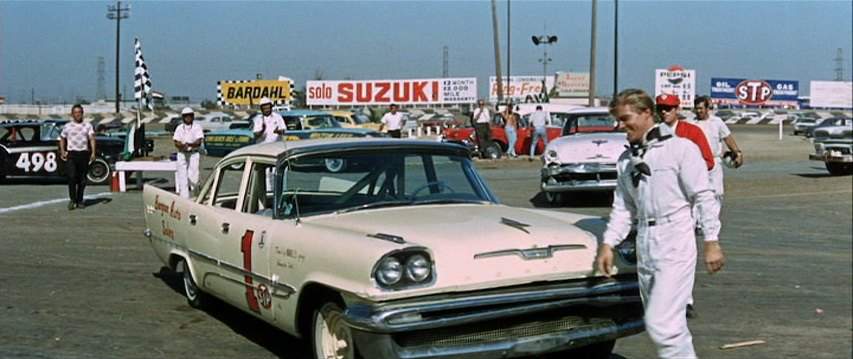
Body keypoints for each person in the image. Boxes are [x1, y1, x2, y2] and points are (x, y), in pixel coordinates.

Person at [595, 89, 725, 359]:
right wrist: (609, 243)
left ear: (646, 114)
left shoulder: (680, 149)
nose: (620, 125)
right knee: (669, 324)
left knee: (661, 323)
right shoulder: (626, 161)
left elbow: (703, 195)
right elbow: (623, 207)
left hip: (675, 238)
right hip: (646, 241)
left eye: (626, 118)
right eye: (617, 119)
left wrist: (712, 241)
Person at [655, 93, 715, 319]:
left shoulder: (692, 132)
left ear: (677, 109)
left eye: (669, 108)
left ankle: (685, 300)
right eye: (661, 108)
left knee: (683, 255)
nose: (665, 112)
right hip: (659, 202)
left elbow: (708, 161)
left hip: (684, 202)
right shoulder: (653, 134)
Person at [692, 96, 744, 207]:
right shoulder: (690, 124)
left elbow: (727, 138)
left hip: (714, 162)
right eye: (696, 108)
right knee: (698, 192)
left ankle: (713, 220)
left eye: (701, 108)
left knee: (717, 193)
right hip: (697, 162)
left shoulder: (717, 122)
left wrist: (737, 152)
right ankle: (698, 222)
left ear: (707, 108)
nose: (699, 111)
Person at [59, 104, 96, 210]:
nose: (78, 114)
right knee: (71, 177)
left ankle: (80, 200)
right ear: (72, 114)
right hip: (72, 154)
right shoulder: (68, 126)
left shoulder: (88, 126)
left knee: (83, 179)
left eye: (79, 112)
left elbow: (92, 139)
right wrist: (62, 151)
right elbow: (62, 138)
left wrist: (93, 153)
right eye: (75, 112)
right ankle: (72, 200)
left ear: (82, 113)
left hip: (83, 153)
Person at [173, 107, 204, 199]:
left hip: (193, 154)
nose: (188, 118)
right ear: (183, 117)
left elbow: (199, 141)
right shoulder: (179, 128)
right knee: (182, 177)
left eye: (190, 116)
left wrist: (189, 145)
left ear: (193, 116)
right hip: (182, 154)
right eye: (186, 116)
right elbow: (176, 141)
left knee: (194, 177)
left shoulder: (197, 127)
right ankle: (184, 198)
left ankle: (196, 196)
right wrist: (182, 146)